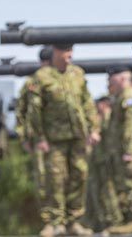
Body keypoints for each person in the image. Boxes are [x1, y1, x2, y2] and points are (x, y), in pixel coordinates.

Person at [28, 44, 99, 237]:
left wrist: (94, 128)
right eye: (65, 51)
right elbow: (35, 110)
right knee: (56, 179)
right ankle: (55, 222)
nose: (69, 55)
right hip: (54, 139)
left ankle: (73, 221)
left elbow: (87, 102)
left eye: (71, 51)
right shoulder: (42, 78)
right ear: (56, 53)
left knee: (79, 176)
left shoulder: (77, 74)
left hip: (77, 136)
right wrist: (39, 137)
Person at [105, 66, 132, 234]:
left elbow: (130, 126)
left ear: (122, 79)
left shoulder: (129, 96)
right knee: (125, 184)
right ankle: (129, 218)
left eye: (112, 80)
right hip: (122, 149)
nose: (109, 84)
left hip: (131, 149)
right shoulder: (120, 97)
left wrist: (130, 150)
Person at [15, 46, 54, 207]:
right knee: (43, 178)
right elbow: (21, 111)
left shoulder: (63, 79)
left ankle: (65, 218)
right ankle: (49, 217)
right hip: (39, 138)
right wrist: (24, 137)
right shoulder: (31, 83)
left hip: (61, 137)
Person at [85, 96, 122, 233]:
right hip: (98, 160)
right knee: (97, 191)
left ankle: (115, 220)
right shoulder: (99, 119)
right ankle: (101, 221)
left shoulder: (107, 117)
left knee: (109, 190)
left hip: (107, 159)